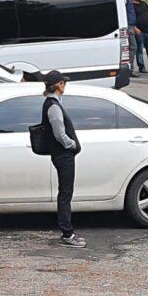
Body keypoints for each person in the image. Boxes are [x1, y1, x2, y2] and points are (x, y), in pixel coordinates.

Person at [37, 72, 84, 248]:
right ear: (59, 85)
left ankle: (67, 232)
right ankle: (67, 234)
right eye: (63, 83)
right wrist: (72, 144)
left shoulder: (51, 103)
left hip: (61, 154)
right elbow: (59, 134)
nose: (65, 86)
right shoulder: (53, 106)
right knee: (65, 194)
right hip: (63, 155)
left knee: (65, 193)